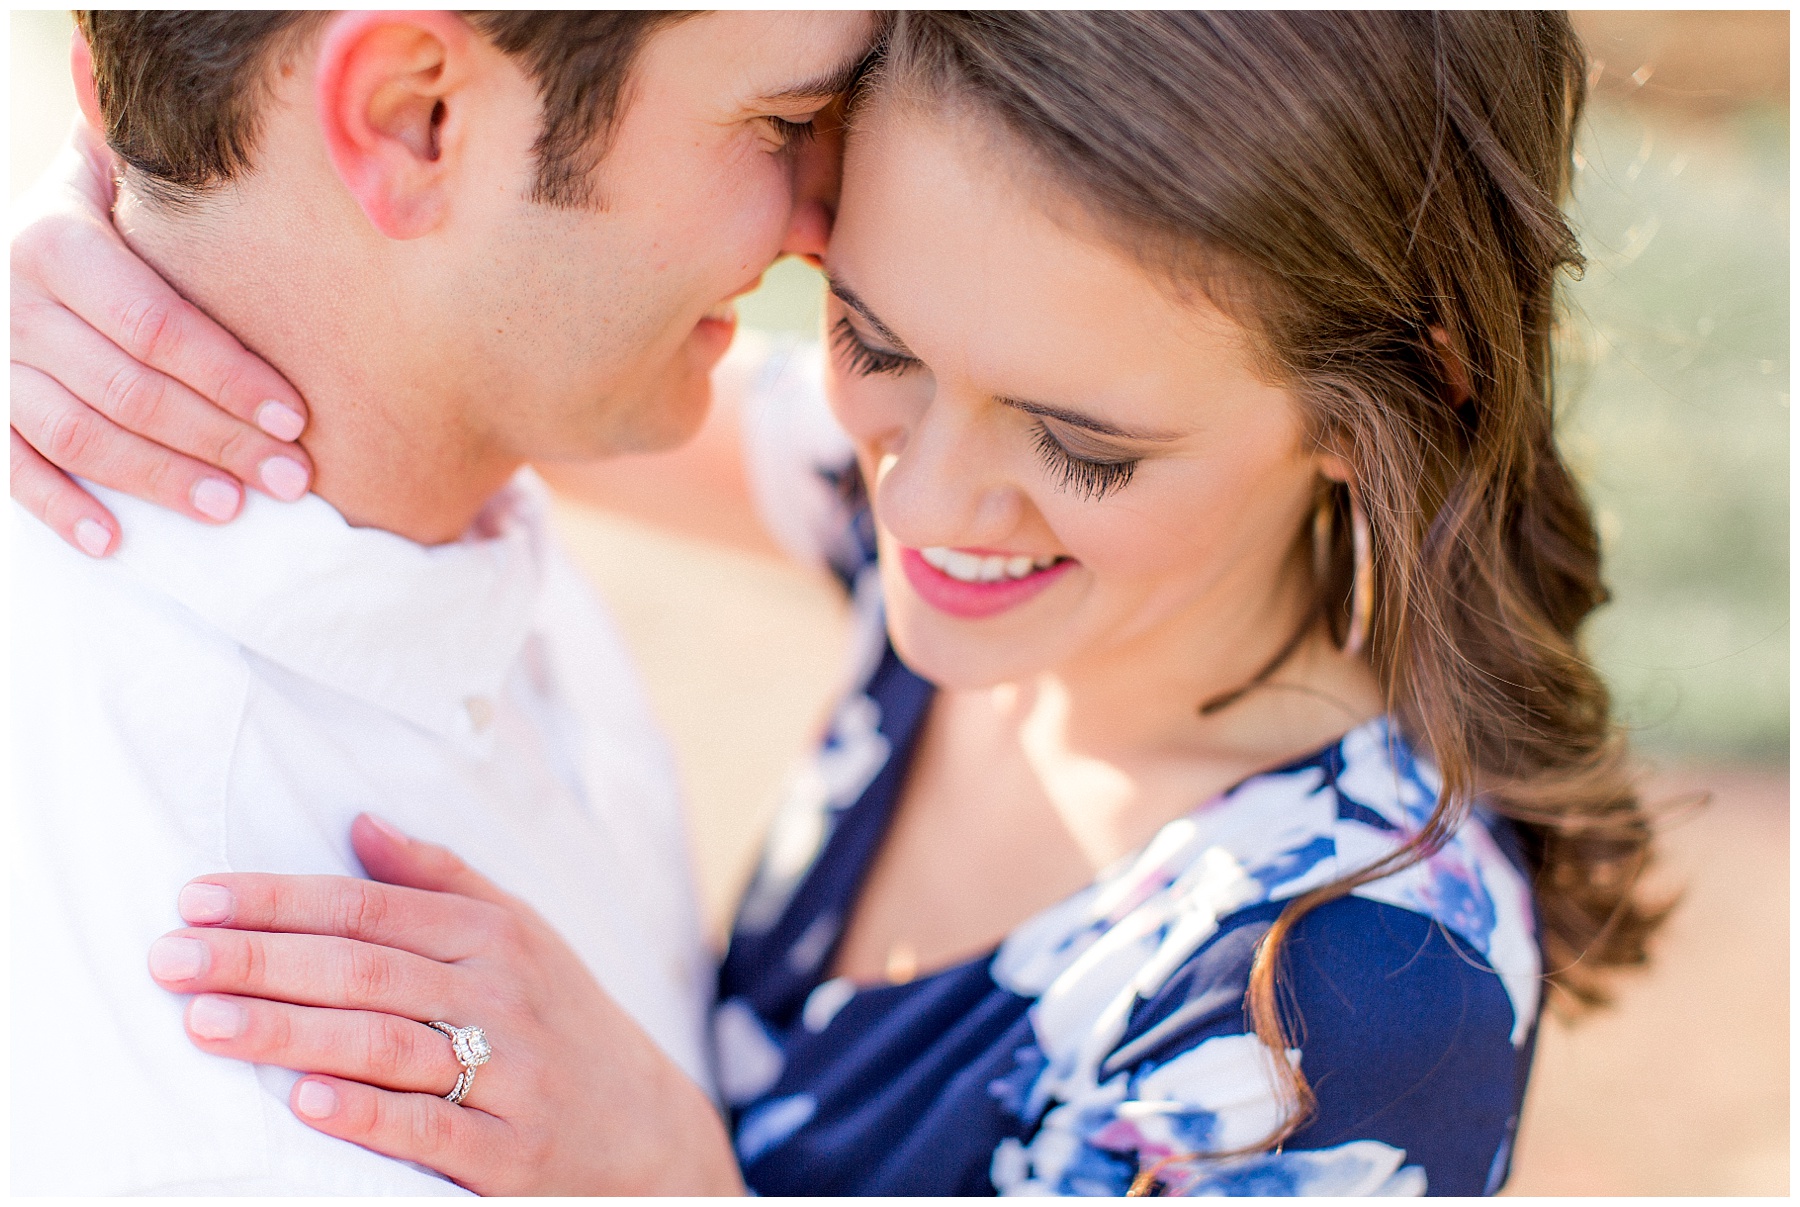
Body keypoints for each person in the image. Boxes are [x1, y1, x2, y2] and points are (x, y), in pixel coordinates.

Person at [12, 11, 1665, 1198]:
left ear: (1384, 398)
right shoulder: (956, 530)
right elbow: (477, 337)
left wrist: (669, 1186)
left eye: (1084, 445)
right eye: (874, 339)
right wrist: (109, 239)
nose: (929, 498)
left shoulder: (1354, 1015)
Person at [8, 9, 874, 1195]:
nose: (824, 221)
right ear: (417, 120)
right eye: (782, 123)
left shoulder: (452, 473)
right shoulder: (261, 1089)